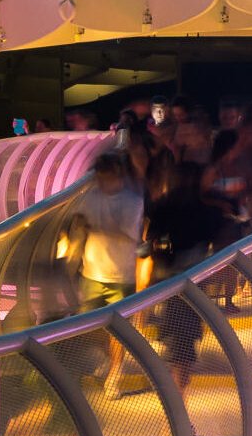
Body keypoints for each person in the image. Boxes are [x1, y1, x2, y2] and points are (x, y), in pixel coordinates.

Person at [143, 154, 222, 393]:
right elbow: (216, 238)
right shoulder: (206, 206)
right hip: (196, 274)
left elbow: (150, 240)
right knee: (186, 337)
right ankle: (179, 391)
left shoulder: (164, 203)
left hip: (167, 274)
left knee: (175, 335)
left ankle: (177, 389)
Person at [66, 151, 145, 388]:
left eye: (106, 177)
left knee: (117, 329)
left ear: (118, 175)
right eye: (99, 177)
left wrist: (93, 225)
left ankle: (115, 373)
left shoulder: (133, 201)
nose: (102, 182)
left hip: (121, 275)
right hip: (92, 272)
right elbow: (78, 225)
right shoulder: (90, 196)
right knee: (87, 325)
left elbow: (127, 233)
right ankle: (106, 361)